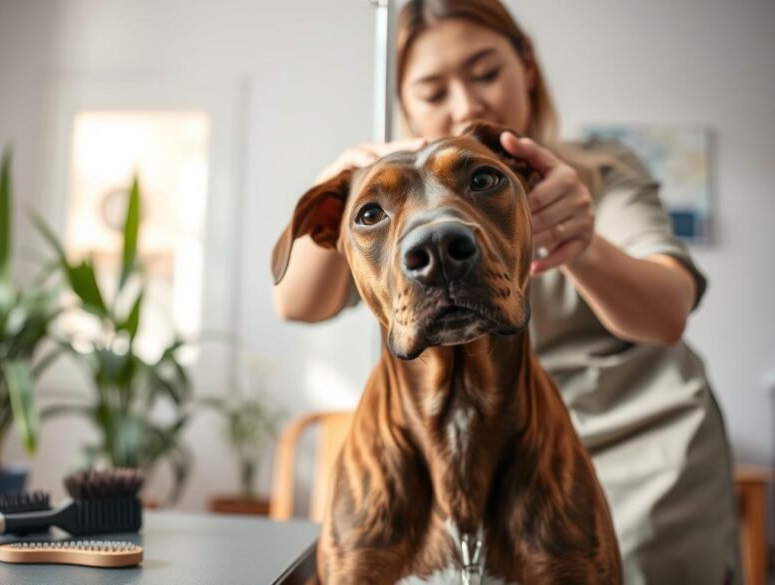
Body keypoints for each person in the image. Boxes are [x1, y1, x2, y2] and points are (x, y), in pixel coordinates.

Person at [273, 1, 740, 583]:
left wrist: (581, 239)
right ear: (405, 102)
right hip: (466, 458)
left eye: (485, 72)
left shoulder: (596, 173)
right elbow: (294, 303)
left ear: (528, 66)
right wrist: (345, 192)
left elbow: (668, 312)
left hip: (638, 453)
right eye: (433, 90)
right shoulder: (392, 210)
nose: (466, 104)